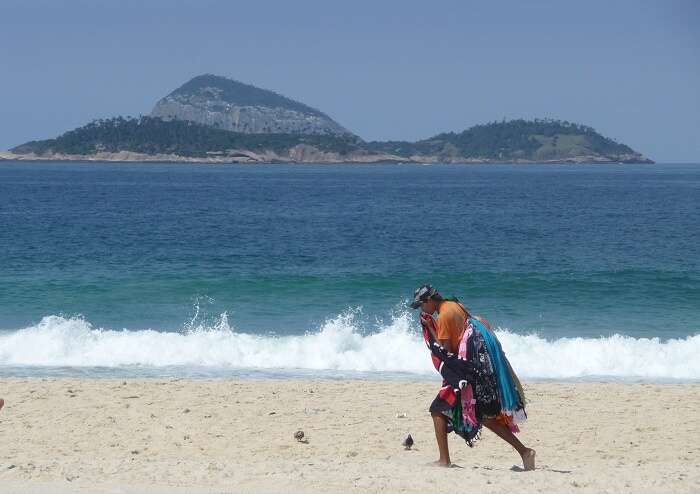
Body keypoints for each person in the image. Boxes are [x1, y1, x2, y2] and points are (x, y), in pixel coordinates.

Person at [410, 284, 536, 470]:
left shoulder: (443, 315)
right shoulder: (454, 304)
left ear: (429, 300)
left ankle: (444, 461)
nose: (422, 309)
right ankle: (525, 452)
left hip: (468, 370)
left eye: (422, 304)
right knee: (483, 416)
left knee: (437, 410)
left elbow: (446, 351)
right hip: (478, 365)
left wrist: (430, 328)